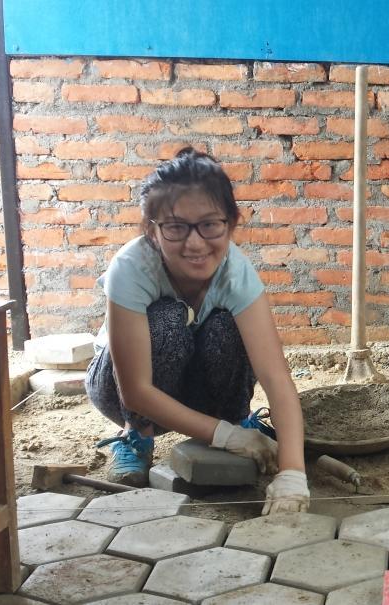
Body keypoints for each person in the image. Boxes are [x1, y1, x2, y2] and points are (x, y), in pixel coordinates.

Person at [86, 148, 309, 514]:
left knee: (228, 325)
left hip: (196, 390)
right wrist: (227, 438)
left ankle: (235, 420)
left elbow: (276, 378)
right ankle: (135, 437)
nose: (194, 243)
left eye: (209, 224)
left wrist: (292, 474)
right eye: (175, 227)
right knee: (169, 319)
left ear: (231, 223)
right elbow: (135, 390)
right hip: (123, 393)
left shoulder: (236, 274)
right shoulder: (131, 267)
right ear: (152, 230)